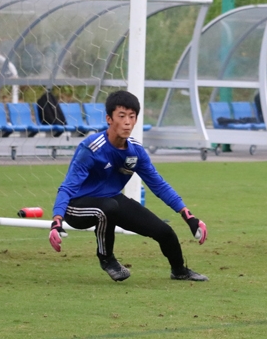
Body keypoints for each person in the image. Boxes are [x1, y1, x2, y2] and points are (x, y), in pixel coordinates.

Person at [49, 90, 208, 282]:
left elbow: (159, 185)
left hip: (111, 202)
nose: (127, 122)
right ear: (109, 118)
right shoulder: (91, 148)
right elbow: (66, 188)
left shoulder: (136, 152)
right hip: (76, 206)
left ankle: (179, 271)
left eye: (132, 117)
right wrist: (57, 220)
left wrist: (188, 216)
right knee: (107, 208)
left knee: (164, 232)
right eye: (122, 116)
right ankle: (107, 259)